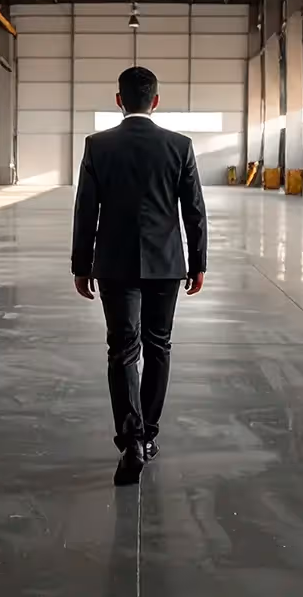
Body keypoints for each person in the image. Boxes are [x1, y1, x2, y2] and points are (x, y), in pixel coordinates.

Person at [72, 66, 208, 486]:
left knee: (122, 349)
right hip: (166, 265)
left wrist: (82, 265)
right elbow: (194, 210)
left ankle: (130, 440)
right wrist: (197, 262)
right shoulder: (179, 145)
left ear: (119, 100)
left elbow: (85, 210)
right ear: (156, 101)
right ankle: (148, 436)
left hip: (114, 264)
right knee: (158, 346)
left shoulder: (99, 145)